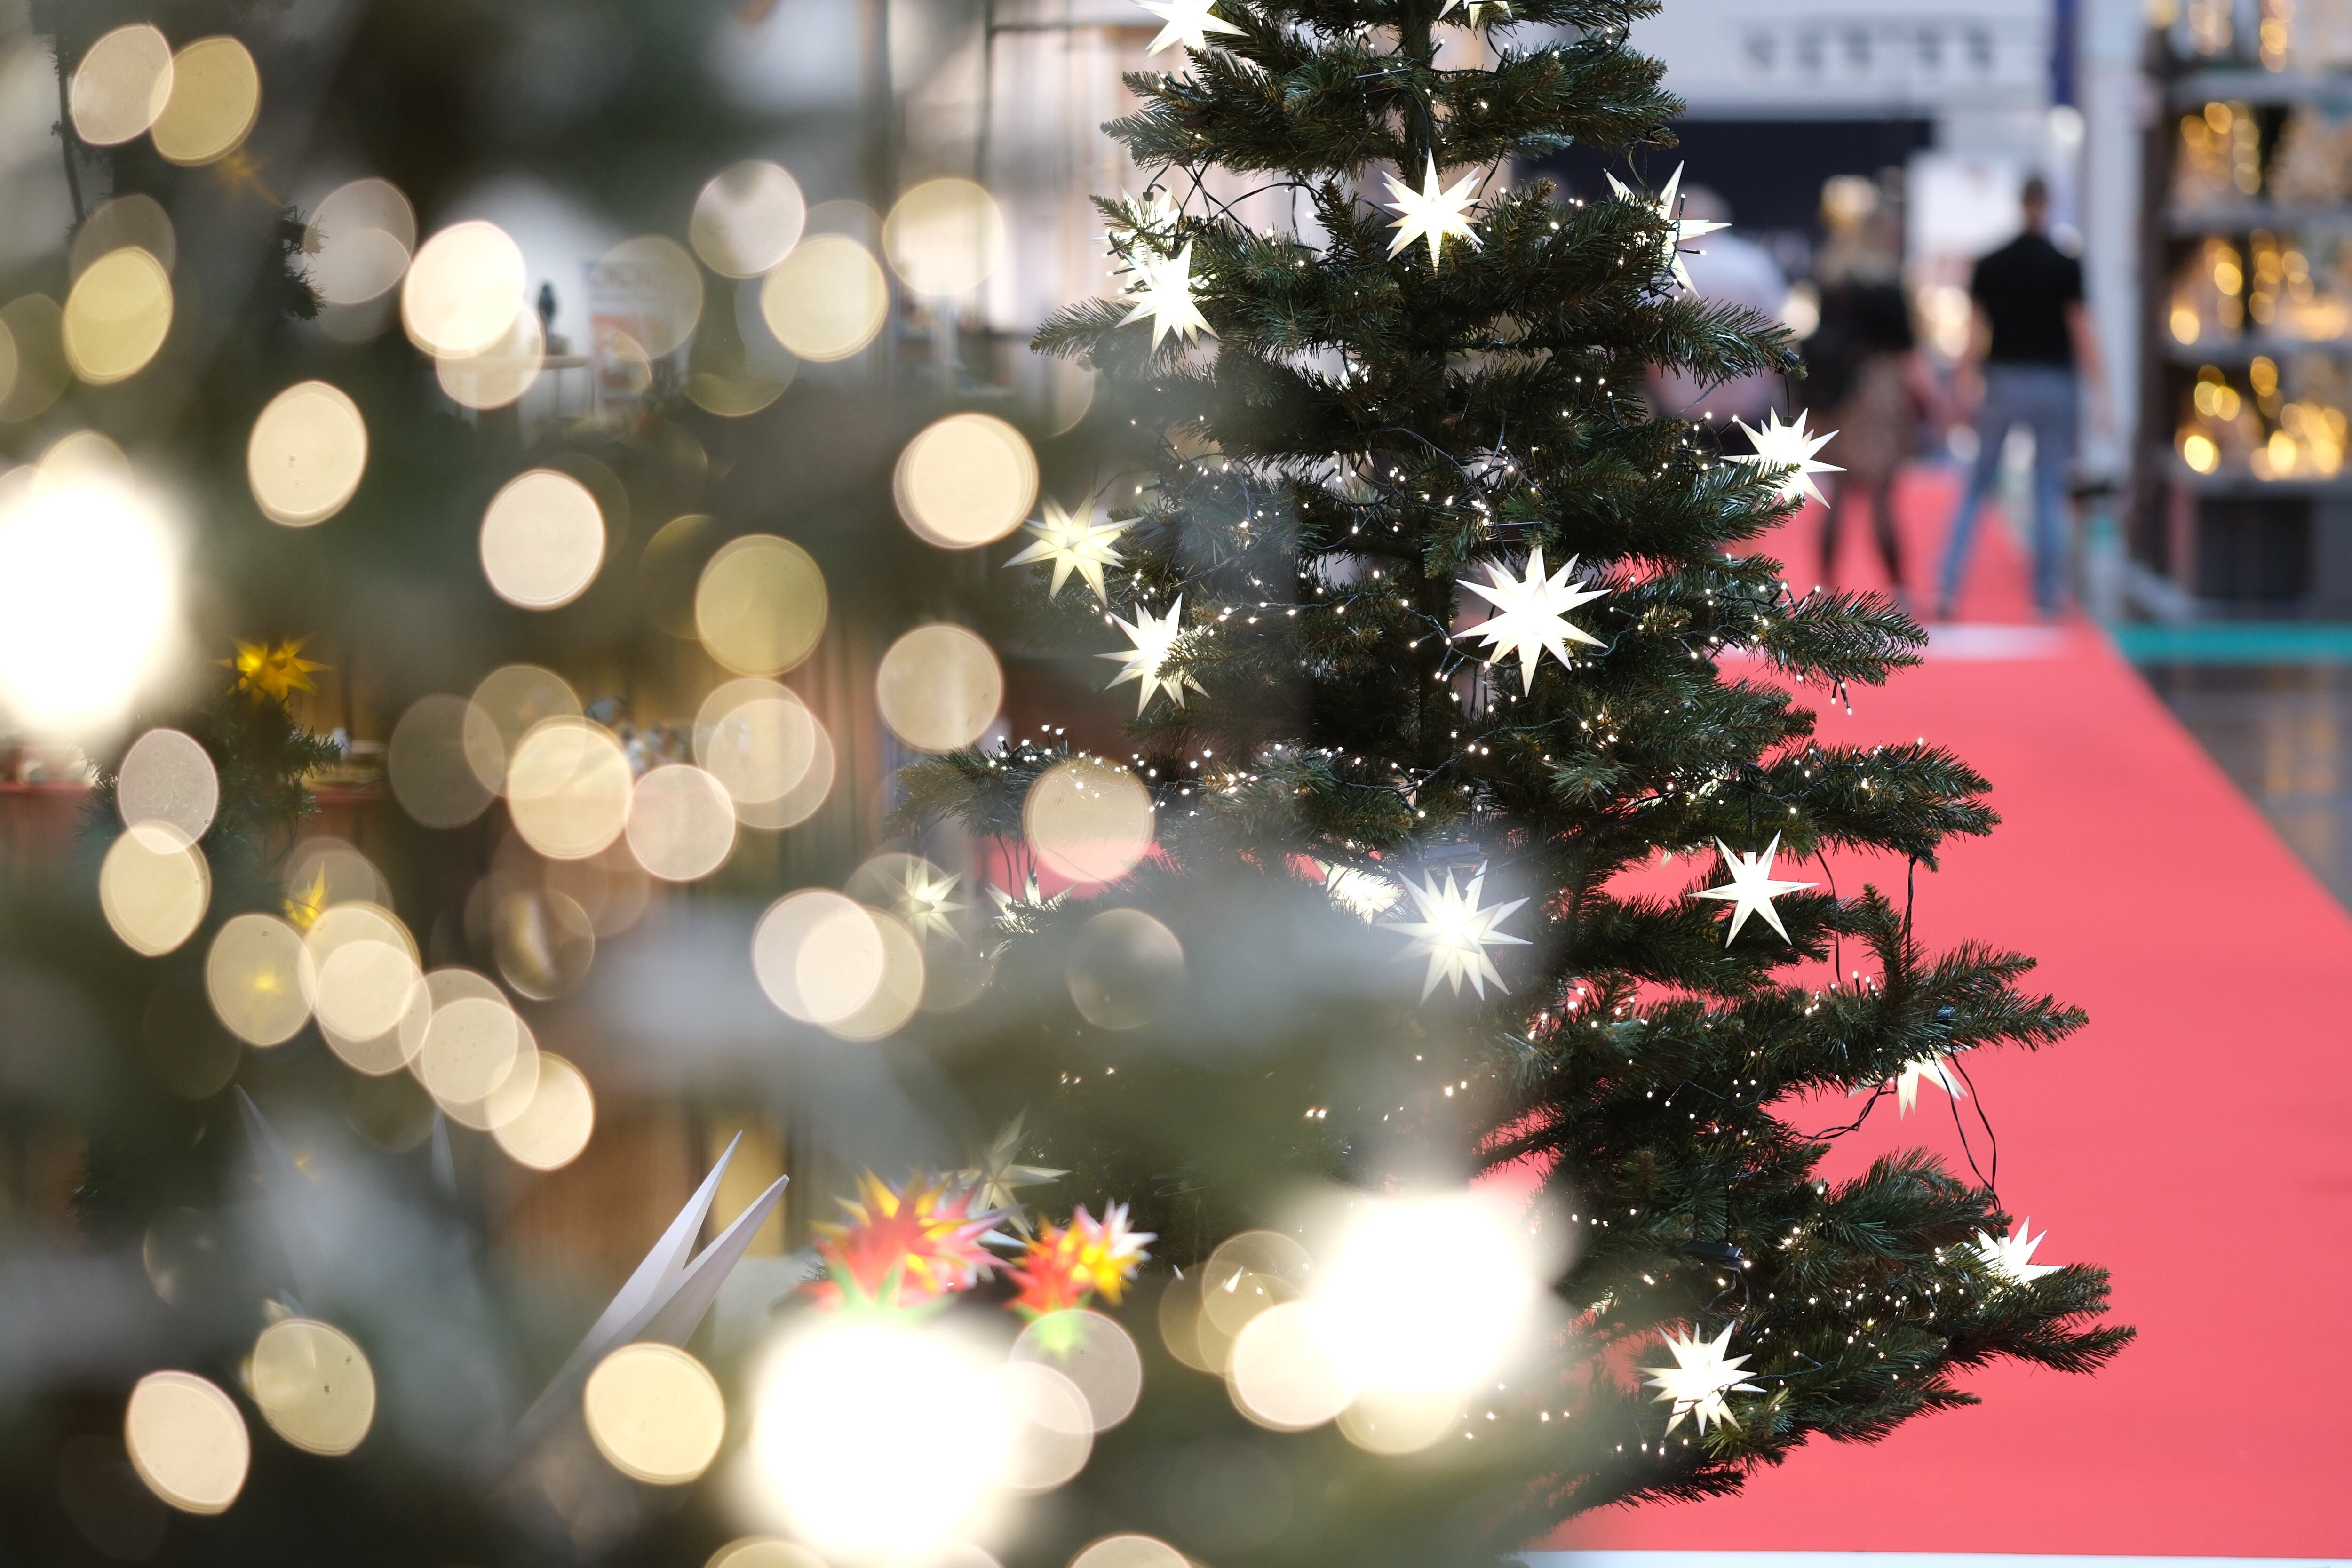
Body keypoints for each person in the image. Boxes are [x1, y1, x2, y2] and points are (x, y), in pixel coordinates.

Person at [1936, 175, 2109, 620]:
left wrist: (1960, 386)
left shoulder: (1992, 263)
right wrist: (2103, 393)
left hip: (2004, 382)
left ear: (2019, 203)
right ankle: (2047, 596)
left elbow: (1974, 333)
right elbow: (2082, 331)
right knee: (2048, 488)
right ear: (2046, 205)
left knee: (1977, 486)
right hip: (2052, 383)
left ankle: (1948, 587)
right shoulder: (2064, 264)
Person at [1804, 175, 1946, 608]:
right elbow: (1908, 353)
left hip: (1837, 393)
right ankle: (1900, 590)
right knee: (1883, 493)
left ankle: (1825, 587)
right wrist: (1937, 402)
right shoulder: (1888, 284)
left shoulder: (1831, 276)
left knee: (1837, 494)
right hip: (1880, 392)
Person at [1642, 185, 1787, 428]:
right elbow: (1780, 330)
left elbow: (1646, 339)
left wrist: (1660, 389)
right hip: (1748, 406)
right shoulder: (1754, 263)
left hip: (1681, 409)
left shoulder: (1663, 272)